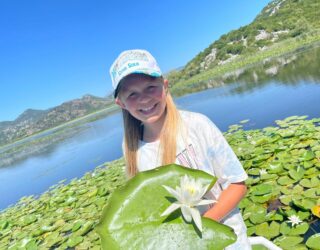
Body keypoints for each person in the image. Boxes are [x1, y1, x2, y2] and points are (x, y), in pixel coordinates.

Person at [109, 49, 251, 249]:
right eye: (132, 94)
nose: (144, 99)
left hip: (228, 240)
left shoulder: (197, 125)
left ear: (165, 86)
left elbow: (237, 184)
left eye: (150, 87)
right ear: (121, 103)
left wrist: (199, 228)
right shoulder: (131, 148)